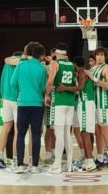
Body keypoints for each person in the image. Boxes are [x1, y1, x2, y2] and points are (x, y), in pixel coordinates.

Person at [10, 42, 47, 174]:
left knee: (20, 134)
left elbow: (12, 83)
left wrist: (21, 91)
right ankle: (35, 165)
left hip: (23, 104)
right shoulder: (42, 68)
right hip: (37, 104)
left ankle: (20, 165)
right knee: (36, 134)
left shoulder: (21, 65)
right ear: (41, 55)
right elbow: (43, 87)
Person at [44, 42, 77, 174]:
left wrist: (46, 94)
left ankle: (57, 164)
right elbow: (74, 83)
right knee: (67, 134)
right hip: (70, 101)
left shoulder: (54, 63)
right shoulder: (71, 65)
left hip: (58, 101)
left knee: (59, 134)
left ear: (57, 53)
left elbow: (50, 81)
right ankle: (69, 163)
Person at [59, 56, 96, 171]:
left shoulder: (82, 73)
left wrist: (65, 88)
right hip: (86, 103)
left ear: (75, 64)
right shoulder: (82, 73)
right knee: (86, 132)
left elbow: (80, 87)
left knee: (85, 133)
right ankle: (88, 159)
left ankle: (90, 160)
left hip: (85, 103)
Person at [0, 49, 24, 169]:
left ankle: (0, 157)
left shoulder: (6, 65)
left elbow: (1, 81)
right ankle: (15, 159)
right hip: (17, 99)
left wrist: (2, 95)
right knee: (18, 131)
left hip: (6, 98)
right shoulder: (21, 63)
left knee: (5, 129)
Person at [90, 47, 108, 169]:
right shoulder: (93, 68)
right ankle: (100, 157)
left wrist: (95, 79)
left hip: (103, 103)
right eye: (98, 55)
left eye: (102, 55)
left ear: (105, 57)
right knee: (97, 133)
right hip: (94, 104)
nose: (99, 57)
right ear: (95, 56)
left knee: (105, 132)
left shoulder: (107, 68)